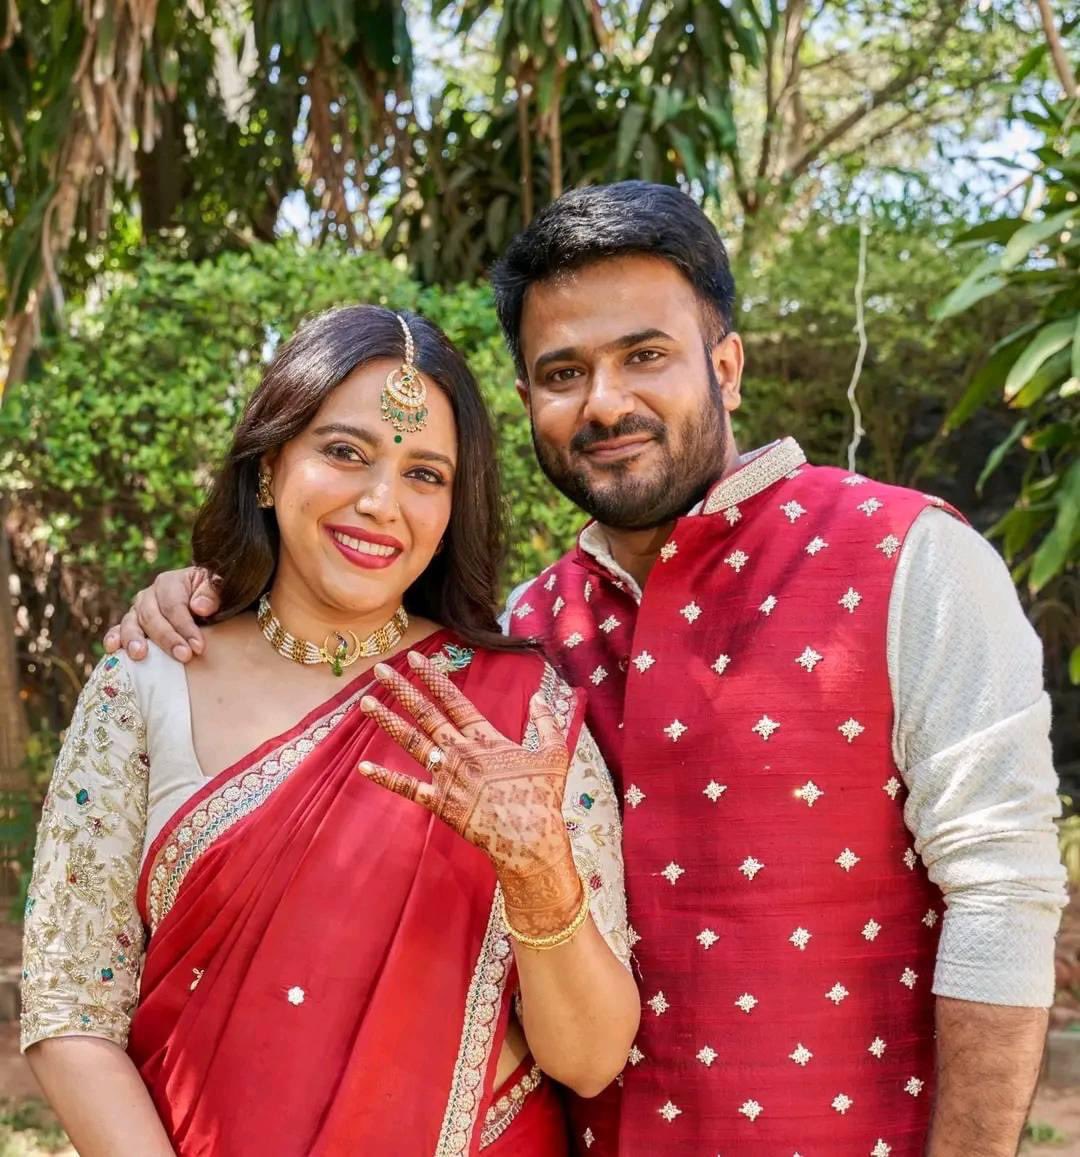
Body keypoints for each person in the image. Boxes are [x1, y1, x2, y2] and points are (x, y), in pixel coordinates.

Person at [106, 183, 1068, 1157]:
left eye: (645, 355)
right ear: (529, 402)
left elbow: (1003, 894)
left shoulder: (910, 562)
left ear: (725, 367)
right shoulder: (522, 634)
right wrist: (210, 600)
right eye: (564, 372)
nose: (605, 402)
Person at [21, 305, 639, 1157]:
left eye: (425, 474)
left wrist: (538, 870)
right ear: (269, 467)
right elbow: (69, 1009)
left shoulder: (520, 713)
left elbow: (591, 1059)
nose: (381, 503)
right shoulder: (147, 682)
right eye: (345, 452)